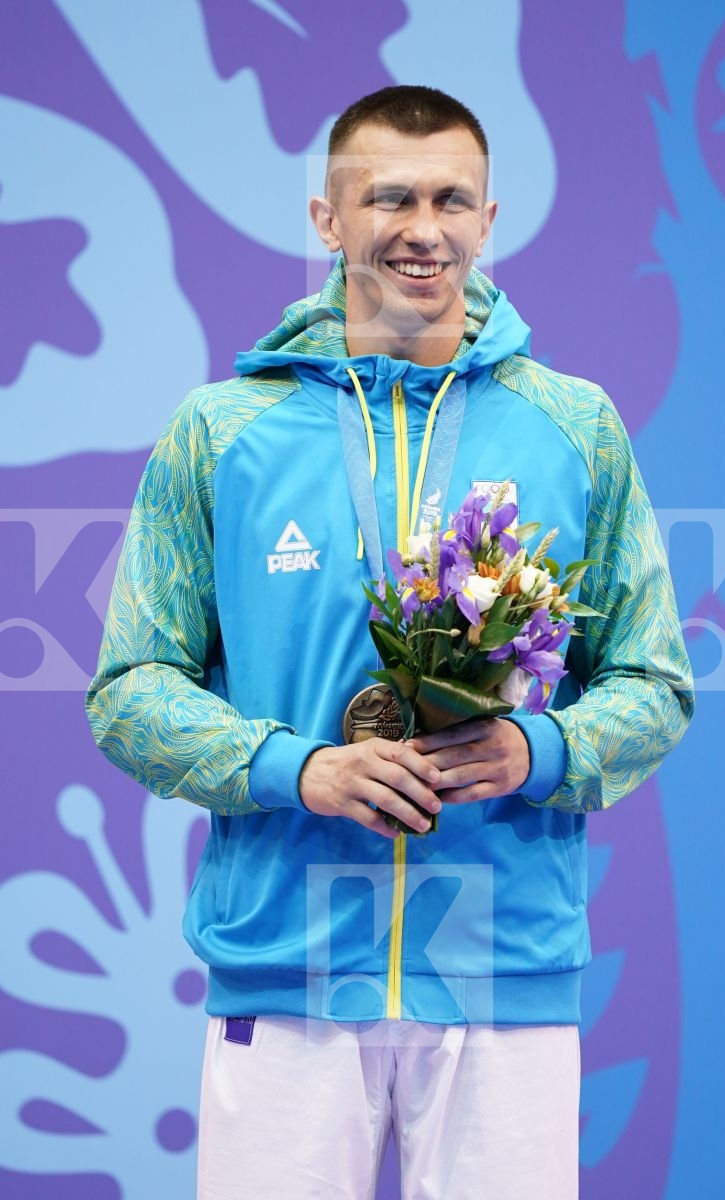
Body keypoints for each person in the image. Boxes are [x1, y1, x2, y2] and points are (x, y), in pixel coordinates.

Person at [86, 85, 693, 1200]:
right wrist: (297, 769)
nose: (424, 227)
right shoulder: (224, 432)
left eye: (452, 198)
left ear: (488, 218)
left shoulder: (576, 426)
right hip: (286, 959)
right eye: (390, 197)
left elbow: (653, 682)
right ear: (328, 218)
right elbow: (130, 689)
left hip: (501, 962)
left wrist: (535, 754)